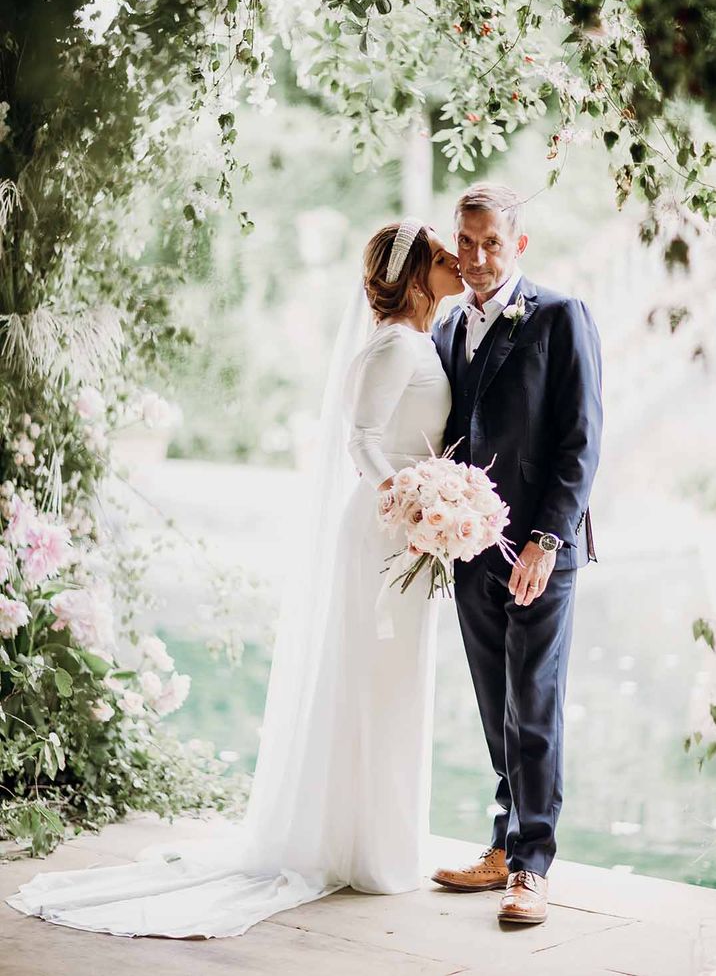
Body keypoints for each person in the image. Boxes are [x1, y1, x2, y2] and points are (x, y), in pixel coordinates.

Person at [7, 218, 465, 938]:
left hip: (409, 534)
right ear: (414, 275)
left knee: (393, 681)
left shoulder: (419, 340)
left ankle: (381, 840)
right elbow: (363, 441)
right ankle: (354, 845)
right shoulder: (393, 344)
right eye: (442, 258)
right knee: (369, 679)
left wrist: (431, 506)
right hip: (385, 529)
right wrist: (407, 499)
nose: (457, 265)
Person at [431, 182, 603, 925]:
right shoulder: (443, 325)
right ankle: (504, 843)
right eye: (465, 242)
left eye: (490, 242)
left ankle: (532, 866)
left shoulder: (561, 316)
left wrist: (545, 537)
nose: (475, 257)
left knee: (533, 701)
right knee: (495, 703)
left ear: (518, 245)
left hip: (541, 546)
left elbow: (581, 438)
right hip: (468, 546)